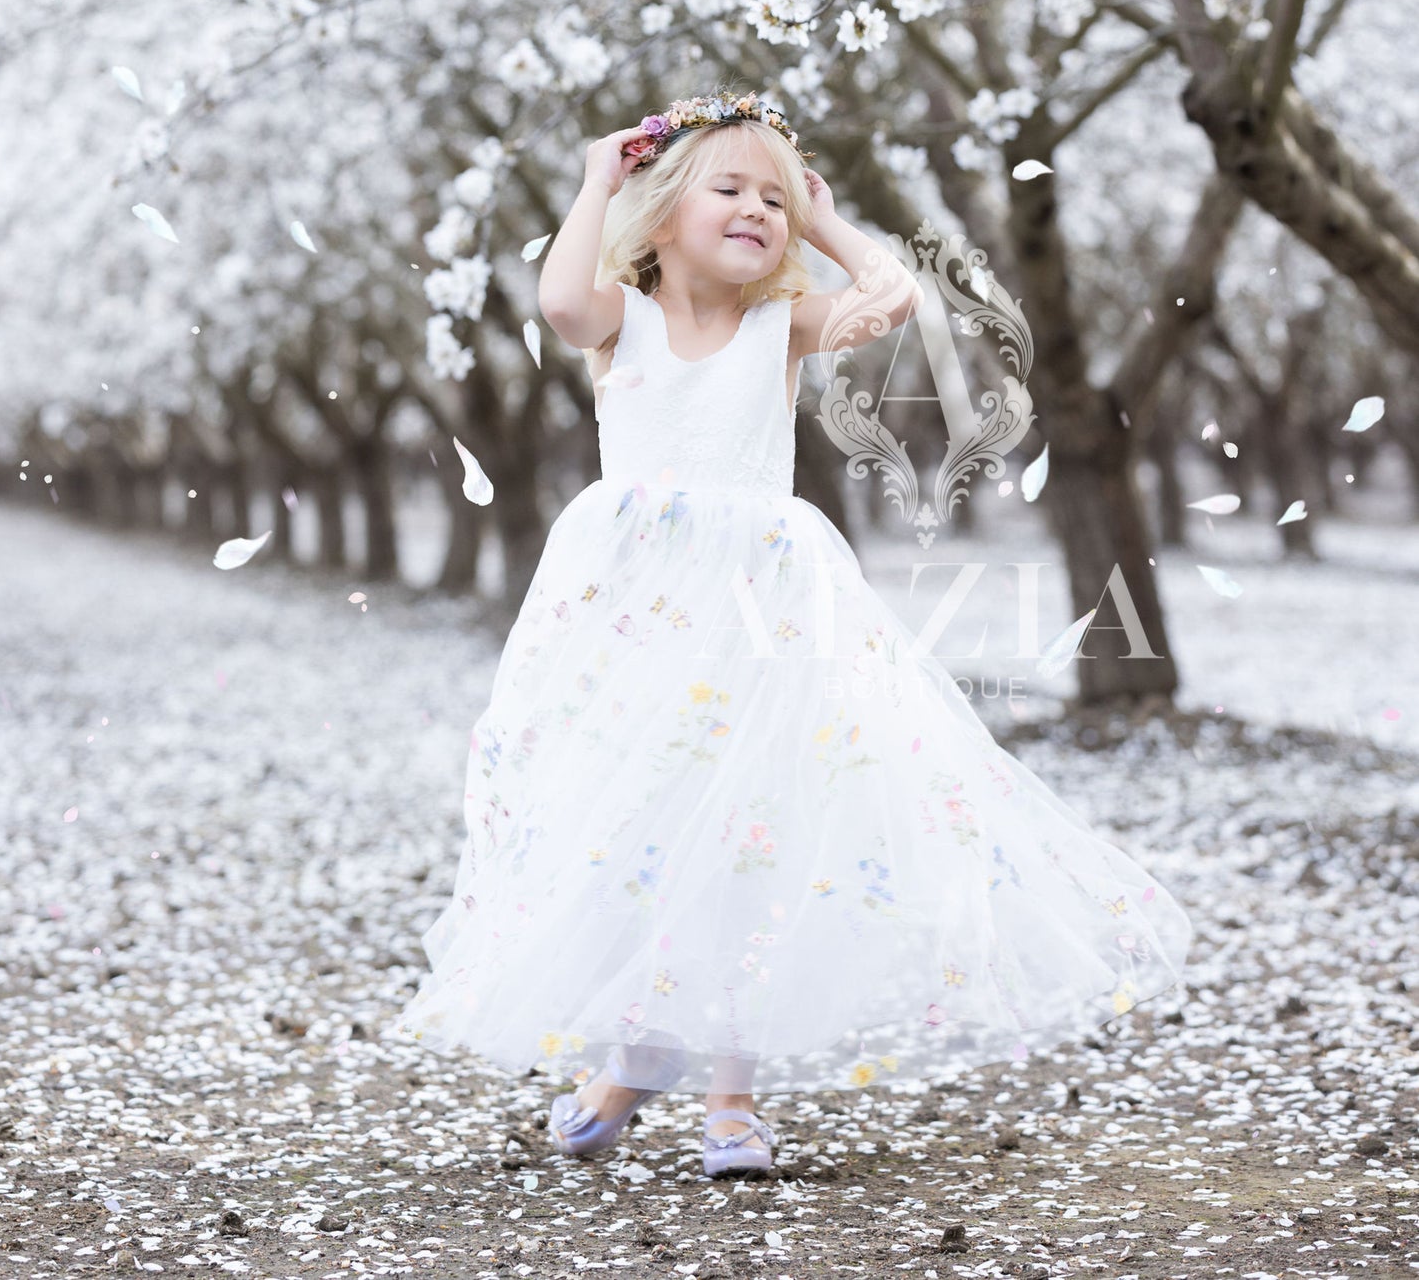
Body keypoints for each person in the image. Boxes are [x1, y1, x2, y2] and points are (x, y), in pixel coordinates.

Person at [387, 89, 1191, 1178]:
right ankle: (632, 1056)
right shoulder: (624, 318)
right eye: (728, 189)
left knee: (749, 830)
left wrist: (822, 221)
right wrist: (593, 183)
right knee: (650, 827)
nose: (755, 209)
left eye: (771, 196)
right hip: (638, 614)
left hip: (764, 614)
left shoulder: (782, 324)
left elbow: (894, 301)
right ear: (663, 214)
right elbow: (564, 302)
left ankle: (731, 1097)